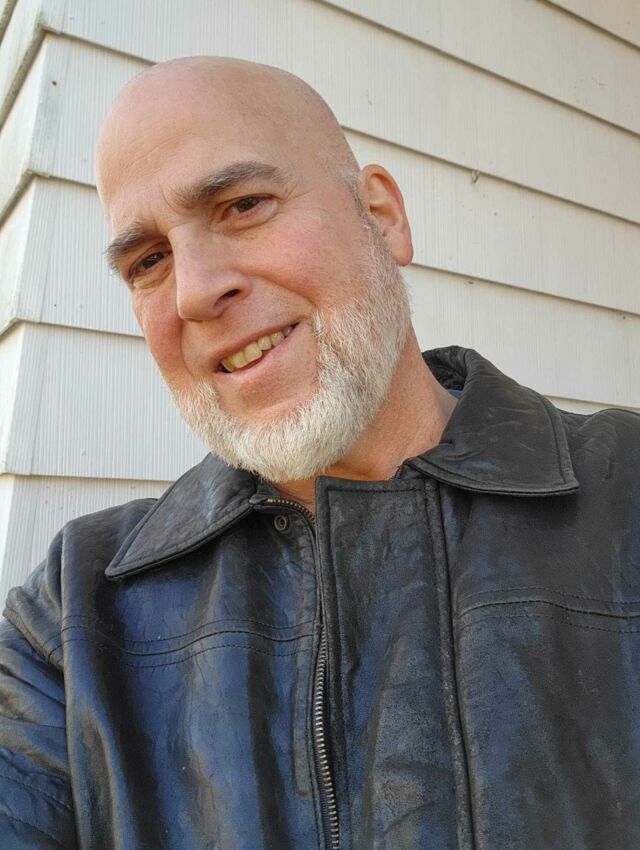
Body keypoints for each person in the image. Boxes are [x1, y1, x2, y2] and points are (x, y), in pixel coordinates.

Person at [0, 56, 639, 850]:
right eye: (148, 262)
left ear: (383, 216)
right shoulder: (73, 617)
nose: (194, 291)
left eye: (243, 205)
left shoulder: (627, 492)